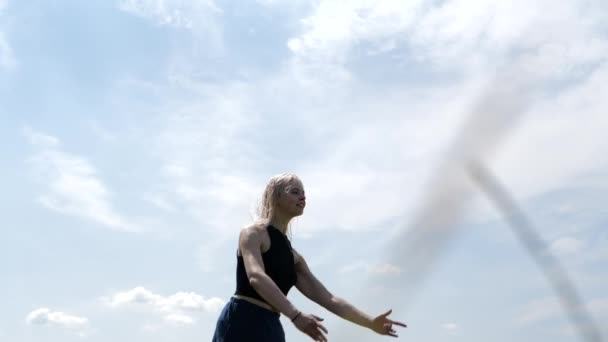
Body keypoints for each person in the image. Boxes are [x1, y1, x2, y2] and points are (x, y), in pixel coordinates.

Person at [212, 173, 406, 342]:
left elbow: (329, 299)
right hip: (242, 319)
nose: (303, 196)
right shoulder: (253, 233)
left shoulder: (294, 258)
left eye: (304, 193)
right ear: (275, 195)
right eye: (294, 191)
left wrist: (370, 322)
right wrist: (296, 316)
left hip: (271, 326)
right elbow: (256, 277)